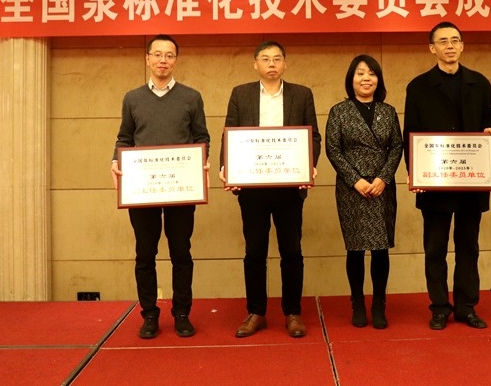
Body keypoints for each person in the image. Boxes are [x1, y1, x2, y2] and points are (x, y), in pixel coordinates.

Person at [111, 34, 211, 339]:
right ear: (148, 59)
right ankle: (150, 314)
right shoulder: (132, 98)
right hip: (143, 188)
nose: (162, 60)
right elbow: (125, 138)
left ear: (176, 60)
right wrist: (115, 160)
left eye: (169, 55)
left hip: (182, 188)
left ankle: (181, 313)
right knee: (145, 254)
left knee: (181, 252)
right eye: (157, 54)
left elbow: (201, 137)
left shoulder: (191, 97)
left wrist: (203, 161)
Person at [219, 40, 321, 339]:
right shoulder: (241, 94)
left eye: (277, 58)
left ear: (285, 63)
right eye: (265, 59)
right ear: (255, 64)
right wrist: (227, 169)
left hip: (289, 185)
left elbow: (313, 136)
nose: (272, 64)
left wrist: (308, 167)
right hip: (253, 186)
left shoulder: (302, 94)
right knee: (254, 251)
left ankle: (293, 313)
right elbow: (229, 135)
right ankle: (256, 312)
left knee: (292, 251)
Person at [402, 21, 491, 330]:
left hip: (471, 180)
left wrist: (489, 132)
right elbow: (410, 133)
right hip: (435, 181)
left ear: (462, 45)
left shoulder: (480, 83)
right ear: (432, 48)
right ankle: (440, 307)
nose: (450, 46)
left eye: (455, 40)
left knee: (469, 247)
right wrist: (414, 173)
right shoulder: (418, 86)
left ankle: (466, 307)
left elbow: (487, 121)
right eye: (443, 41)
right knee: (435, 248)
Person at [325, 55, 404, 329]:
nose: (366, 78)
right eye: (360, 73)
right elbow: (333, 149)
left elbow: (397, 147)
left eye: (371, 73)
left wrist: (383, 178)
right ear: (351, 79)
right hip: (352, 189)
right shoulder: (339, 111)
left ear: (378, 80)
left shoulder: (388, 111)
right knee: (356, 249)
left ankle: (379, 304)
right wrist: (355, 180)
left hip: (382, 187)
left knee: (381, 249)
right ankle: (357, 303)